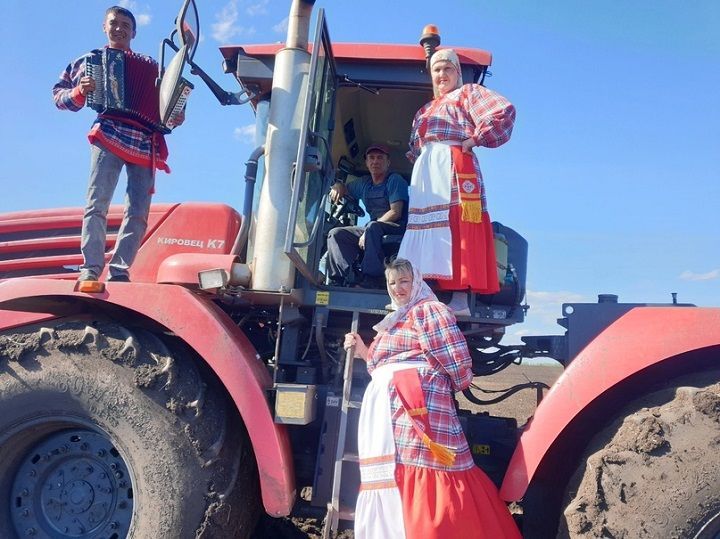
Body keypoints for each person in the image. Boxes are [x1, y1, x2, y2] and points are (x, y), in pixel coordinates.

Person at [345, 257, 520, 539]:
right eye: (392, 283)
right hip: (387, 412)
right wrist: (363, 350)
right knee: (396, 471)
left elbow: (456, 360)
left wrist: (439, 381)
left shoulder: (428, 310)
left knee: (427, 467)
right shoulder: (395, 319)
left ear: (417, 283)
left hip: (415, 405)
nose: (398, 288)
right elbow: (381, 366)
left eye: (404, 281)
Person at [52, 5, 180, 283]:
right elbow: (59, 96)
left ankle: (120, 270)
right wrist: (79, 91)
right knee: (97, 203)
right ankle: (91, 268)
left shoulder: (152, 67)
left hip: (144, 141)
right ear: (104, 27)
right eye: (114, 23)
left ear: (134, 31)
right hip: (108, 133)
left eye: (125, 24)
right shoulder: (90, 60)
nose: (119, 28)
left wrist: (176, 113)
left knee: (138, 211)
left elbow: (169, 112)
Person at [397, 48, 516, 315]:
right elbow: (414, 146)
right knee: (423, 226)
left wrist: (475, 139)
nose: (441, 75)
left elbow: (503, 111)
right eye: (436, 70)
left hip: (454, 163)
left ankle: (460, 299)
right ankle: (420, 294)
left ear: (457, 72)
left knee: (457, 222)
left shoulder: (468, 93)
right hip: (428, 170)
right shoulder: (425, 110)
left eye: (447, 69)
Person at [326, 144, 408, 288]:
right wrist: (338, 185)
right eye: (371, 158)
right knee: (336, 233)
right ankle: (339, 279)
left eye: (380, 158)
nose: (375, 161)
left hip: (397, 227)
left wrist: (367, 232)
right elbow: (345, 188)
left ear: (388, 162)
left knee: (372, 227)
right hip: (374, 228)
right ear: (366, 162)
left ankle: (372, 278)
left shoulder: (395, 180)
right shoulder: (364, 183)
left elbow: (396, 212)